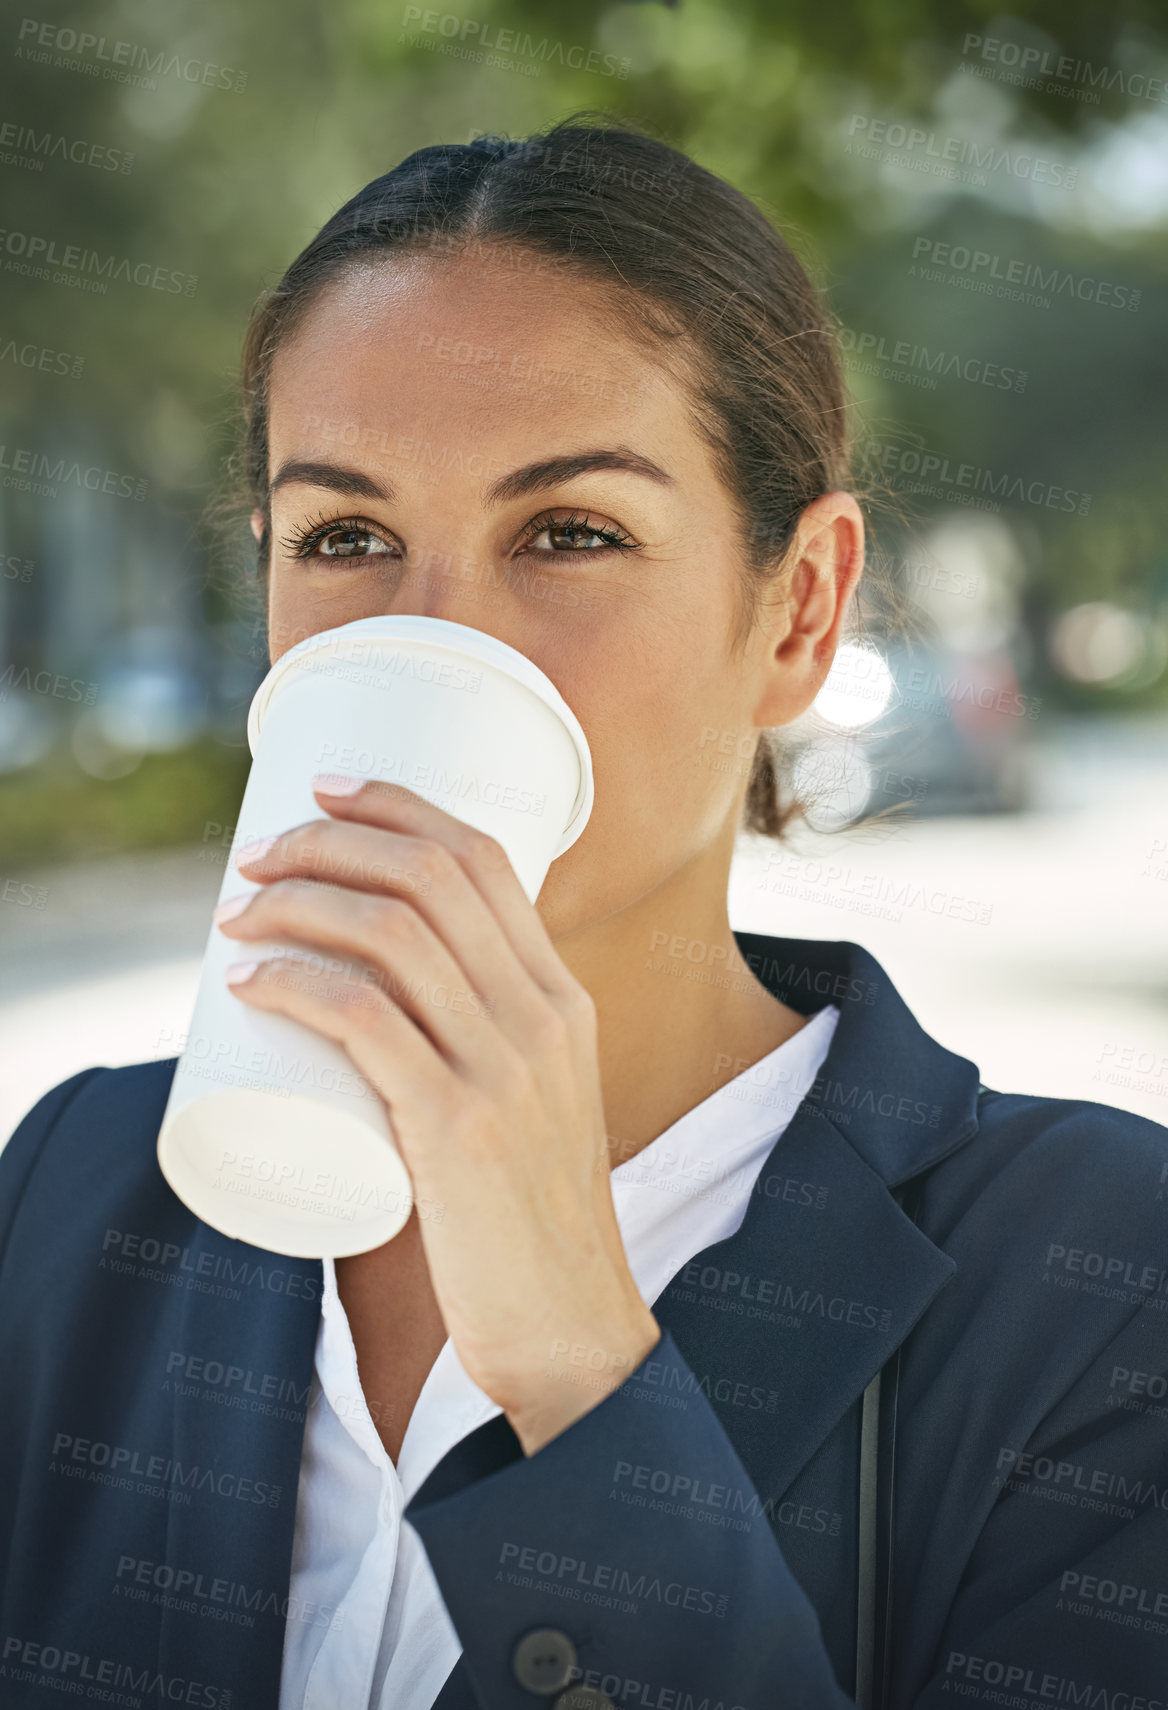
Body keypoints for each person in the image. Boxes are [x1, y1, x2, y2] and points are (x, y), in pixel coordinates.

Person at [2, 115, 1166, 1710]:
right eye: (345, 535)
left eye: (570, 532)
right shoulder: (75, 1193)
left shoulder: (1098, 1276)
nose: (440, 634)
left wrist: (579, 1359)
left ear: (800, 611)